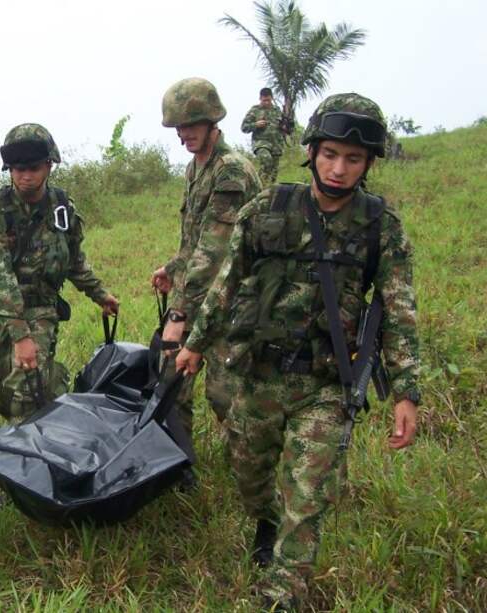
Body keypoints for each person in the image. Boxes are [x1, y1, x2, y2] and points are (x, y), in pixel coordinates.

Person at [176, 93, 421, 610]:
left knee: (307, 497)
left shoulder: (381, 226)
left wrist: (406, 392)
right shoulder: (267, 209)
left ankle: (283, 594)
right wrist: (194, 344)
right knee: (249, 474)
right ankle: (265, 522)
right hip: (259, 374)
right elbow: (225, 282)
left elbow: (398, 313)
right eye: (330, 154)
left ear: (370, 162)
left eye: (354, 159)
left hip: (328, 384)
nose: (339, 168)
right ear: (311, 150)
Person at [0, 123, 119, 421]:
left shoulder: (62, 209)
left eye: (33, 168)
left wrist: (99, 294)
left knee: (27, 393)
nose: (25, 176)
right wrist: (17, 333)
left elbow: (73, 258)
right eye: (17, 168)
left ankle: (31, 454)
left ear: (49, 166)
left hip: (39, 309)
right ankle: (44, 417)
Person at [151, 77, 261, 448]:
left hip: (231, 300)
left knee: (224, 392)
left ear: (213, 122)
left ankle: (253, 465)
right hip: (197, 291)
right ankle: (179, 463)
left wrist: (178, 316)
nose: (184, 134)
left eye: (191, 125)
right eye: (179, 127)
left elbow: (216, 252)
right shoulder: (195, 168)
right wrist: (172, 267)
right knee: (172, 381)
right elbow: (195, 241)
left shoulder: (231, 170)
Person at [241, 87, 288, 186]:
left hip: (276, 145)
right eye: (264, 100)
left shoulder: (277, 110)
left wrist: (285, 126)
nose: (266, 102)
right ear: (260, 98)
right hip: (261, 143)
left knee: (273, 173)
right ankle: (256, 186)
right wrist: (255, 125)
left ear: (272, 98)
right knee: (267, 160)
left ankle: (266, 190)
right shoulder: (255, 110)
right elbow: (244, 127)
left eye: (268, 100)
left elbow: (284, 127)